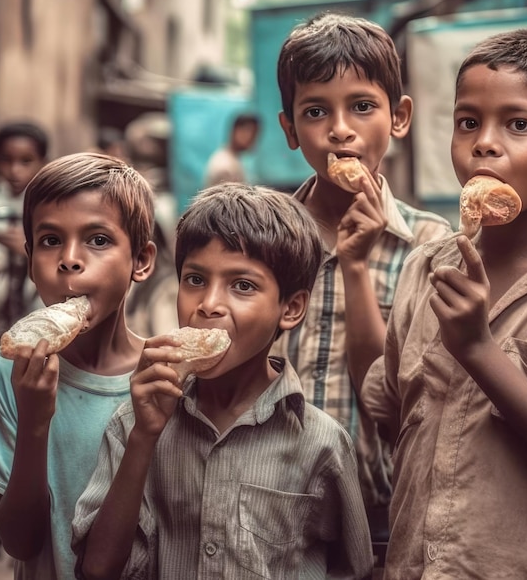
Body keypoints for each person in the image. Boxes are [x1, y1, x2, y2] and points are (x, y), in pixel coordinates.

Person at [362, 28, 527, 578]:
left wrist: (478, 349)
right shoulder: (423, 270)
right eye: (467, 122)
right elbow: (392, 414)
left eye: (519, 124)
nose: (484, 142)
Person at [71, 183, 374, 579]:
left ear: (291, 308)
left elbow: (354, 570)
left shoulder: (322, 443)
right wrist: (143, 438)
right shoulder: (134, 422)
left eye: (242, 286)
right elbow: (96, 570)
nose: (209, 304)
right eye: (195, 280)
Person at [272, 11, 452, 541]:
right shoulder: (263, 236)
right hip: (273, 499)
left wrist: (354, 265)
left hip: (382, 510)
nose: (340, 129)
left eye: (362, 106)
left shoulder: (430, 245)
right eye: (315, 111)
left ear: (398, 117)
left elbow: (391, 400)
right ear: (289, 129)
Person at [0, 153, 157, 580]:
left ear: (141, 260)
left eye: (98, 240)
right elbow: (20, 543)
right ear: (30, 261)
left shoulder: (164, 377)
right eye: (50, 241)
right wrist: (34, 421)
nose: (69, 259)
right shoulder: (6, 373)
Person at [0, 121, 50, 340]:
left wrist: (29, 251)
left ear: (43, 162)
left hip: (34, 312)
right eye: (6, 160)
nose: (14, 170)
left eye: (26, 161)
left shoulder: (49, 207)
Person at [203, 112, 260, 187]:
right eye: (248, 131)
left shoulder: (231, 158)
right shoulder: (225, 167)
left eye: (255, 133)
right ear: (234, 130)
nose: (252, 137)